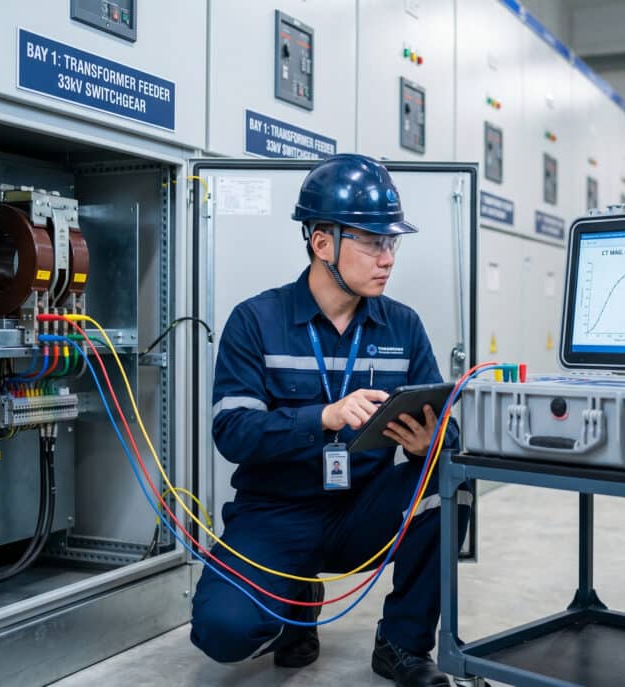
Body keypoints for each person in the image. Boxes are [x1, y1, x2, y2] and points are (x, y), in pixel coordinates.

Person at [190, 154, 472, 687]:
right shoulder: (256, 321)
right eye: (372, 241)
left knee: (449, 479)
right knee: (221, 633)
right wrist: (323, 416)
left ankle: (402, 645)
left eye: (392, 242)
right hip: (275, 512)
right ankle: (296, 602)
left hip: (362, 508)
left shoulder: (403, 326)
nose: (387, 258)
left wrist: (428, 442)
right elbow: (233, 433)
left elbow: (447, 429)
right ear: (322, 243)